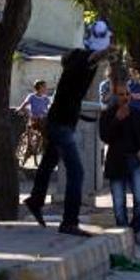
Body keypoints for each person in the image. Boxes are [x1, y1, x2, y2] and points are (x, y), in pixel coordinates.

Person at [23, 20, 113, 236]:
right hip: (61, 124)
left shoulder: (77, 64)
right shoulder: (82, 59)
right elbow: (92, 57)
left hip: (61, 121)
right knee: (77, 173)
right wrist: (106, 50)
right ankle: (69, 222)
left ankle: (35, 200)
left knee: (48, 163)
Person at [99, 70, 140, 241]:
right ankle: (122, 230)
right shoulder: (108, 115)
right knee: (119, 202)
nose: (125, 97)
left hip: (135, 162)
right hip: (116, 162)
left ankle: (136, 229)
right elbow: (105, 137)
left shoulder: (137, 115)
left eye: (127, 94)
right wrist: (116, 121)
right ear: (115, 96)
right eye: (121, 94)